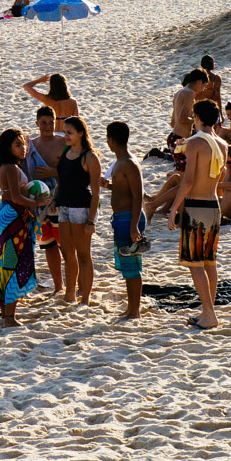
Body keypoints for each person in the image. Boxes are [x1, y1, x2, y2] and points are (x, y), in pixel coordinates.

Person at [167, 100, 229, 329]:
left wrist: (174, 207)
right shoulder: (223, 144)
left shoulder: (194, 143)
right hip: (214, 205)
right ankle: (207, 312)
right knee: (209, 262)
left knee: (195, 263)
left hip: (196, 206)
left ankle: (209, 314)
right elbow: (218, 177)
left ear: (197, 117)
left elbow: (189, 180)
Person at [0, 129, 43, 327]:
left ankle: (6, 313)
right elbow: (15, 197)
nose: (23, 148)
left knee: (7, 262)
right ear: (8, 148)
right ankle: (10, 318)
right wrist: (38, 202)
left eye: (23, 144)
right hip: (14, 216)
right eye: (18, 145)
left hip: (8, 214)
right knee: (14, 263)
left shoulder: (6, 166)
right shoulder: (11, 168)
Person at [53, 116, 101, 305]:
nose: (66, 136)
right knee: (67, 253)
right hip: (63, 207)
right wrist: (55, 200)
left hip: (81, 208)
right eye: (65, 132)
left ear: (81, 133)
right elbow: (61, 180)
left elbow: (96, 192)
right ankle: (70, 293)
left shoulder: (90, 156)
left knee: (83, 254)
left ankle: (86, 298)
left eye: (70, 133)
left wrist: (91, 220)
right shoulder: (66, 152)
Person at [105, 122, 146, 319]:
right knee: (127, 266)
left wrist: (134, 226)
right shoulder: (120, 162)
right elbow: (125, 190)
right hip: (122, 218)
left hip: (130, 218)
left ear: (111, 140)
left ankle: (135, 310)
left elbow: (138, 195)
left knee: (132, 266)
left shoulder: (129, 162)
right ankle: (131, 308)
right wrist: (110, 186)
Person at [26, 107, 68, 295]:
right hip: (40, 204)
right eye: (43, 122)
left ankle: (76, 285)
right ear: (37, 123)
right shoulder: (31, 146)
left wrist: (53, 172)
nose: (48, 126)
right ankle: (59, 286)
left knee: (66, 246)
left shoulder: (63, 141)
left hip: (61, 200)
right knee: (49, 245)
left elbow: (74, 171)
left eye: (51, 122)